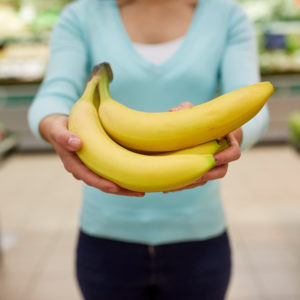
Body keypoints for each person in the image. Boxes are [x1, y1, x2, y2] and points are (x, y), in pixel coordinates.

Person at [28, 0, 269, 299]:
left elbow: (251, 103)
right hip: (106, 237)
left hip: (198, 234)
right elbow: (54, 93)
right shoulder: (82, 15)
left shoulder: (226, 15)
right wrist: (54, 124)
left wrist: (233, 132)